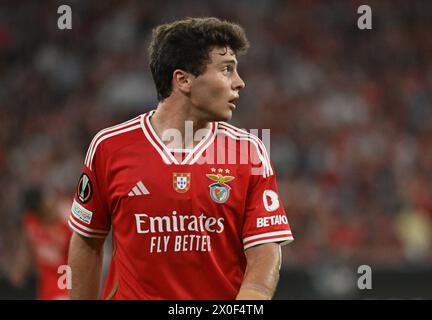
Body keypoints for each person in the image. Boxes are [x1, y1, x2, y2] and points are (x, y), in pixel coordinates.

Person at [68, 17, 293, 300]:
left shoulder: (248, 152)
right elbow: (87, 239)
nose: (240, 82)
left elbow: (265, 252)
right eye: (226, 70)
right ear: (183, 79)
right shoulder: (109, 147)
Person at [6, 187, 71, 300]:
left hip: (66, 286)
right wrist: (20, 270)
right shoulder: (31, 223)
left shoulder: (66, 220)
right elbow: (28, 252)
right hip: (47, 290)